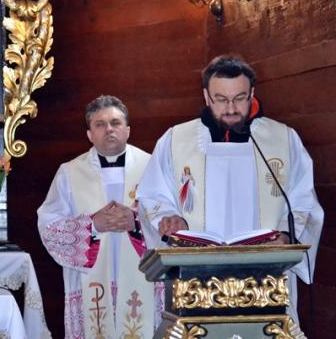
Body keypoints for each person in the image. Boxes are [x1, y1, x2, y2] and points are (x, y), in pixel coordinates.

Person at [136, 55, 323, 316]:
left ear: (252, 93)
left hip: (266, 276)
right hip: (196, 279)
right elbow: (152, 196)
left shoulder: (282, 139)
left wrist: (285, 235)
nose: (231, 108)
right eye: (221, 99)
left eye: (240, 98)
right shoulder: (176, 140)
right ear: (206, 96)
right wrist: (170, 219)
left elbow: (303, 201)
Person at [37, 95, 158, 338]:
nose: (109, 129)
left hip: (141, 276)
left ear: (127, 130)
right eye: (100, 124)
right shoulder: (69, 172)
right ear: (90, 134)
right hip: (91, 282)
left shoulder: (152, 167)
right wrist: (91, 225)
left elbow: (170, 221)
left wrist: (136, 222)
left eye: (115, 122)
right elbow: (49, 225)